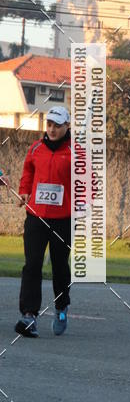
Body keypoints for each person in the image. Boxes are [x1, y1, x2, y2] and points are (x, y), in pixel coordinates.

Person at [14, 106, 72, 338]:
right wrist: (24, 191)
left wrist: (84, 204)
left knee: (59, 267)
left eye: (57, 125)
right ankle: (29, 316)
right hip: (36, 217)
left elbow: (87, 182)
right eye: (49, 125)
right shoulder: (35, 149)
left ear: (67, 126)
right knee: (32, 265)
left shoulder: (76, 153)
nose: (52, 129)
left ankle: (61, 307)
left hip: (63, 220)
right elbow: (28, 172)